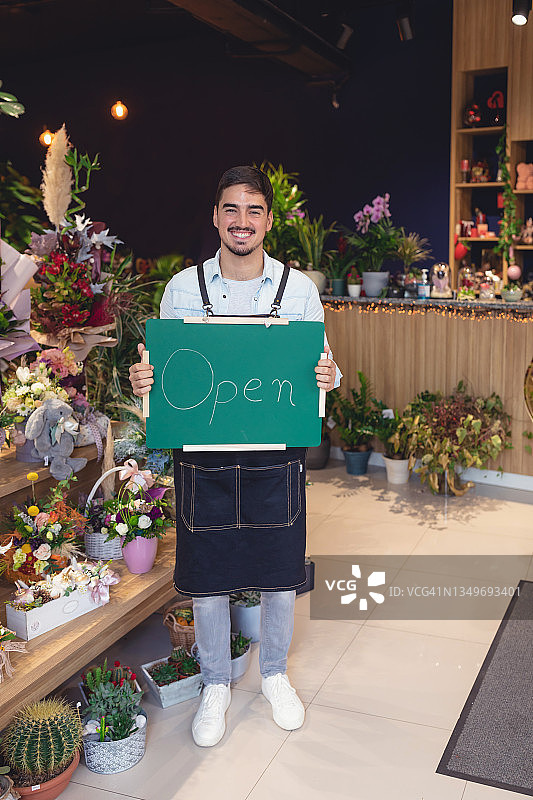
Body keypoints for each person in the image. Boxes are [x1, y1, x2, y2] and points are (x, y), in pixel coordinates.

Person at [129, 165, 341, 747]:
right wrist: (145, 381)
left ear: (269, 220)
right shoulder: (182, 289)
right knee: (209, 576)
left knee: (278, 571)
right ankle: (216, 682)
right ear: (216, 217)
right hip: (204, 457)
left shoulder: (298, 290)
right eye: (231, 209)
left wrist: (329, 373)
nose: (241, 221)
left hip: (276, 454)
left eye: (253, 210)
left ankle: (274, 673)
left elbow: (320, 370)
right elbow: (168, 376)